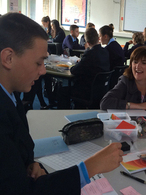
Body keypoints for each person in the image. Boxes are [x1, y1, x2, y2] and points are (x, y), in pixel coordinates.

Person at [0, 12, 123, 194]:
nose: (43, 71)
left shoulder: (12, 98)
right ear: (8, 58)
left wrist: (29, 164)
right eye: (39, 62)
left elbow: (21, 147)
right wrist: (88, 168)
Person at [58, 27, 110, 109]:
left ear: (87, 43)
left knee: (62, 90)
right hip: (101, 90)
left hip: (86, 91)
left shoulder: (89, 54)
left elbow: (74, 71)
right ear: (98, 39)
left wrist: (77, 65)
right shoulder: (105, 52)